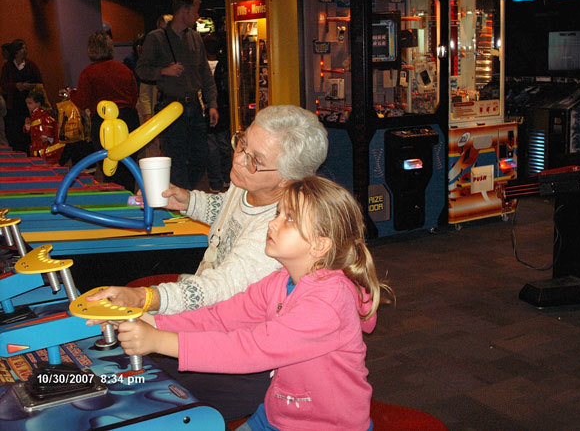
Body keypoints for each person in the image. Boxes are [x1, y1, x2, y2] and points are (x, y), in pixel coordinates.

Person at [87, 104, 329, 420]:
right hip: (208, 317)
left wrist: (147, 300)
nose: (239, 159)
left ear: (288, 181)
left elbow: (219, 291)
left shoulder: (278, 234)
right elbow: (226, 209)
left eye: (255, 160)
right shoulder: (248, 184)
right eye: (243, 144)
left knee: (144, 396)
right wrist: (188, 201)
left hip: (241, 358)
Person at [94, 176, 393, 430]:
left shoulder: (328, 301)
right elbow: (222, 317)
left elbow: (253, 348)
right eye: (278, 213)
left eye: (288, 219)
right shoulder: (280, 280)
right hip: (279, 411)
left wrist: (161, 341)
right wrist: (153, 321)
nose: (273, 224)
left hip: (327, 425)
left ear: (319, 245)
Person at [136, 0, 218, 190]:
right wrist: (164, 71)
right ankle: (183, 201)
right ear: (184, 11)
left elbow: (205, 73)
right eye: (195, 12)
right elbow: (141, 70)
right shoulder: (156, 38)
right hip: (170, 106)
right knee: (176, 158)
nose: (198, 17)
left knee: (201, 156)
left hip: (194, 106)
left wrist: (212, 103)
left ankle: (184, 193)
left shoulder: (196, 38)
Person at [70, 31, 139, 192]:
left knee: (110, 168)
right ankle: (130, 198)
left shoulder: (88, 73)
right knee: (128, 166)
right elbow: (133, 96)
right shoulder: (124, 69)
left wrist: (71, 94)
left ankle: (116, 202)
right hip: (128, 118)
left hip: (104, 123)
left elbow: (82, 101)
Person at [0, 39, 43, 153]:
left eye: (25, 48)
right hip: (13, 104)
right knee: (15, 132)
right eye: (21, 48)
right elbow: (3, 85)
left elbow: (40, 83)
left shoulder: (30, 65)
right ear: (16, 51)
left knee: (30, 131)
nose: (24, 51)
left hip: (29, 103)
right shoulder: (7, 67)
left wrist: (29, 86)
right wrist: (16, 86)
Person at [203, 33, 231, 193]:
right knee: (218, 148)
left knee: (218, 147)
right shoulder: (222, 65)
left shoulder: (224, 65)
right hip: (215, 110)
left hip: (220, 111)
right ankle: (218, 180)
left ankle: (222, 179)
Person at [23, 90, 63, 164]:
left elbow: (47, 129)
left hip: (45, 149)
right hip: (40, 148)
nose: (28, 105)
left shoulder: (42, 115)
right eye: (27, 103)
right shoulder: (34, 115)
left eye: (30, 103)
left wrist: (46, 136)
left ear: (38, 104)